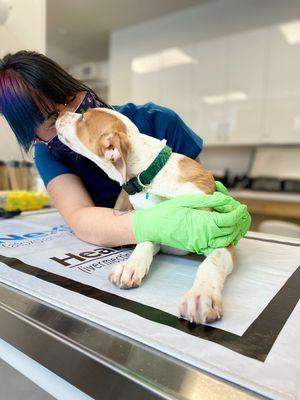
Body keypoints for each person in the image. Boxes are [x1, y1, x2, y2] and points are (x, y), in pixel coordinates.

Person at [0, 50, 250, 254]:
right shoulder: (49, 154)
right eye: (54, 118)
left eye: (70, 97)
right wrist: (152, 225)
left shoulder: (158, 121)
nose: (71, 115)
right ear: (37, 138)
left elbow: (200, 201)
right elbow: (81, 218)